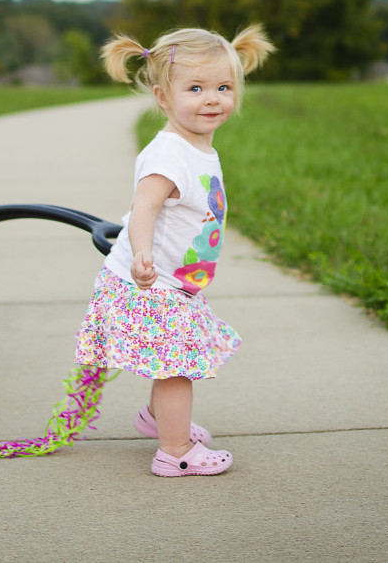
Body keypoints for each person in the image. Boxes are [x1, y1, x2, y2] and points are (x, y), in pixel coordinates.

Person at [74, 25, 275, 477]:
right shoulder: (169, 155)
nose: (212, 99)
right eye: (196, 88)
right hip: (151, 283)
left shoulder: (197, 146)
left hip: (176, 285)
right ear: (163, 97)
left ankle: (154, 420)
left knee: (173, 361)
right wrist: (142, 254)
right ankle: (176, 451)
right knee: (177, 369)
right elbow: (143, 205)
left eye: (223, 87)